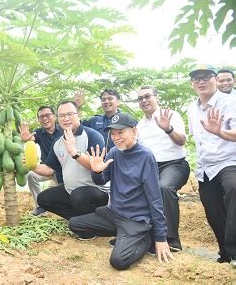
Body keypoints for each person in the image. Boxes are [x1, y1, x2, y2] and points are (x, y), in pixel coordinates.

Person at [69, 113, 173, 270]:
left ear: (134, 131)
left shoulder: (146, 156)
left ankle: (146, 238)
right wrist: (96, 171)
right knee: (74, 224)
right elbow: (101, 180)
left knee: (118, 261)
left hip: (136, 219)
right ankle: (124, 235)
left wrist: (161, 237)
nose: (116, 137)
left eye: (121, 132)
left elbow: (155, 198)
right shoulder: (114, 153)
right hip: (115, 213)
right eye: (113, 134)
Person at [187, 65, 236, 269]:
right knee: (213, 211)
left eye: (206, 77)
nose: (201, 81)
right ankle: (225, 253)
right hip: (205, 167)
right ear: (192, 84)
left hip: (228, 162)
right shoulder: (192, 108)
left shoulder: (230, 102)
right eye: (196, 78)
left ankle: (234, 251)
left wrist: (220, 133)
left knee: (234, 188)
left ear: (215, 79)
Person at [32, 101, 107, 221]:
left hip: (96, 192)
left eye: (70, 114)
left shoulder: (92, 136)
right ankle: (81, 221)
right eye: (61, 116)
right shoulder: (58, 142)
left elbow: (96, 167)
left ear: (79, 114)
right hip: (71, 190)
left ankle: (91, 225)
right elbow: (49, 169)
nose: (65, 119)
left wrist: (74, 152)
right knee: (44, 198)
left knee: (79, 196)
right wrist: (31, 166)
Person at [136, 86, 190, 251]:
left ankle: (171, 239)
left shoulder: (171, 115)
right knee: (132, 188)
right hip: (151, 168)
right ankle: (135, 236)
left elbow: (181, 141)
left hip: (174, 164)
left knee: (163, 187)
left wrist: (168, 129)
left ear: (156, 97)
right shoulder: (139, 125)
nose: (144, 101)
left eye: (147, 96)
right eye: (140, 98)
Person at [20, 106, 63, 216]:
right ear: (38, 120)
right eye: (41, 117)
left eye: (47, 115)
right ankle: (41, 207)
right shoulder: (38, 133)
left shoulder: (64, 130)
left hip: (63, 171)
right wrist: (26, 138)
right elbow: (31, 138)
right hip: (47, 169)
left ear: (54, 116)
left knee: (63, 194)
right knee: (31, 175)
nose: (45, 118)